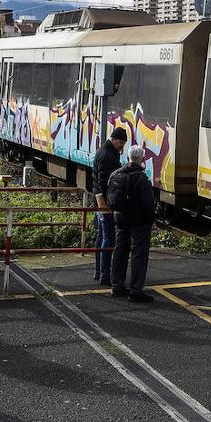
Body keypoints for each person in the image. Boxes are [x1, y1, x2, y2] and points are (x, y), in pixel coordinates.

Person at [110, 145, 156, 303]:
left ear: (128, 157)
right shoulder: (141, 178)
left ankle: (117, 285)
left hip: (120, 218)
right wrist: (150, 220)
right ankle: (136, 291)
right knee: (138, 255)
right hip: (139, 222)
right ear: (142, 159)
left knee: (120, 251)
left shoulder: (116, 174)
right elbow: (148, 204)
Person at [92, 127, 128, 286]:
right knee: (108, 237)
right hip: (104, 203)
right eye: (120, 142)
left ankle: (99, 271)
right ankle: (105, 275)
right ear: (113, 139)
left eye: (123, 143)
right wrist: (110, 201)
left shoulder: (104, 151)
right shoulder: (107, 155)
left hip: (99, 200)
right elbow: (103, 181)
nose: (122, 146)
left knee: (101, 236)